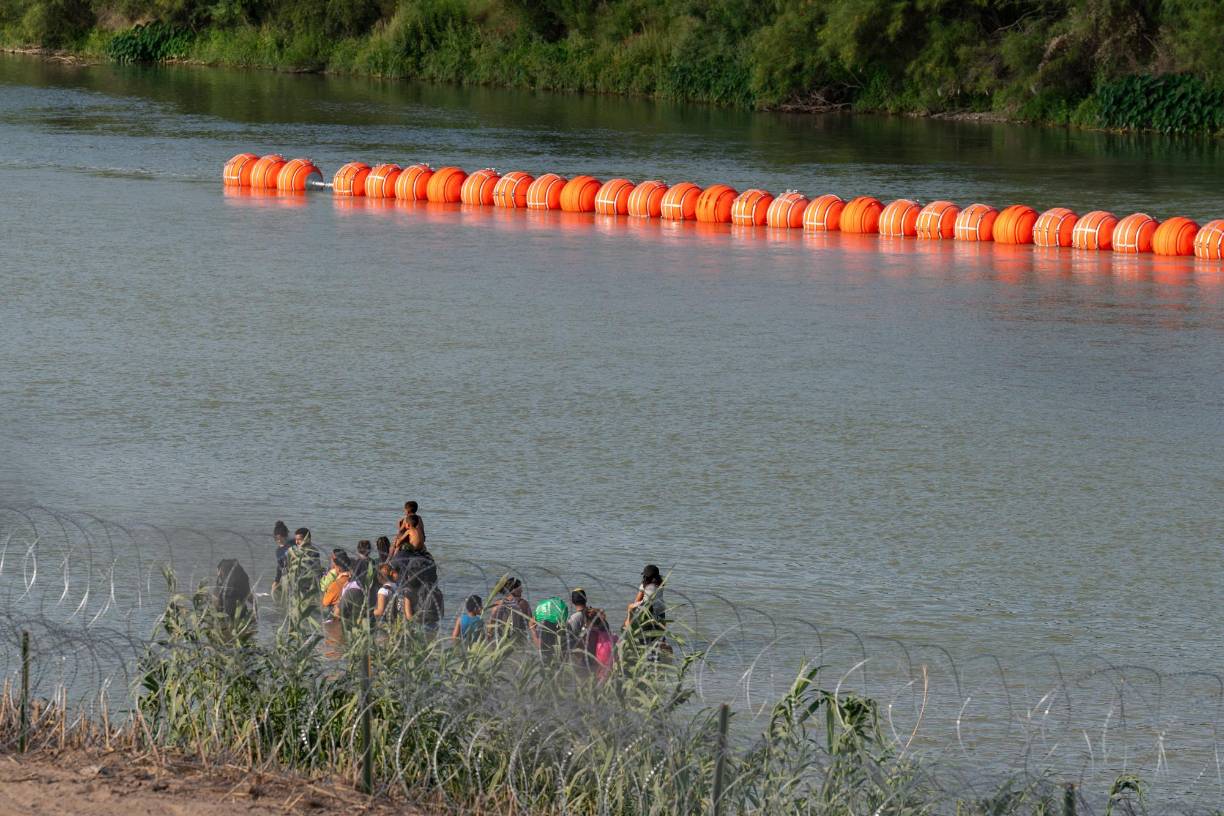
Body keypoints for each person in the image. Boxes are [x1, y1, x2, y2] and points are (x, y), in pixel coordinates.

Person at [567, 589, 613, 674]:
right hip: (603, 658)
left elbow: (572, 643)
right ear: (586, 599)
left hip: (585, 661)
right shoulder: (597, 615)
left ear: (572, 602)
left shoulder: (573, 619)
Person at [624, 564, 667, 648]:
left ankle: (629, 633)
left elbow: (638, 600)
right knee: (660, 622)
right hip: (660, 610)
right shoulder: (661, 584)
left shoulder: (644, 585)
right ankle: (661, 638)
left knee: (630, 608)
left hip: (647, 609)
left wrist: (632, 609)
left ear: (645, 576)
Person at [484, 577, 534, 643]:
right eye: (520, 588)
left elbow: (491, 627)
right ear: (513, 590)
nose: (522, 590)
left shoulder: (497, 605)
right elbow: (531, 624)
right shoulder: (524, 604)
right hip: (520, 638)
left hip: (502, 640)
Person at [285, 527, 324, 602]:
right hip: (294, 586)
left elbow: (315, 571)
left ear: (307, 539)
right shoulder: (294, 552)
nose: (296, 542)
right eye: (296, 539)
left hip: (306, 587)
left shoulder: (313, 552)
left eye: (299, 539)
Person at [533, 595, 568, 660]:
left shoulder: (540, 606)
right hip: (552, 630)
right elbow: (562, 626)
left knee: (544, 655)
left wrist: (535, 636)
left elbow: (532, 623)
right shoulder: (561, 606)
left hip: (540, 630)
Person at [321, 550, 353, 620]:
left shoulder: (335, 584)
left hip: (337, 614)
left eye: (335, 566)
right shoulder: (352, 580)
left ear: (338, 568)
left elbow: (325, 603)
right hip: (349, 612)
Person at [271, 521, 292, 592]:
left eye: (280, 538)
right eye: (277, 539)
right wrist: (276, 581)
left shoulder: (294, 544)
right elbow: (280, 567)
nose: (279, 541)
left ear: (285, 536)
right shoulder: (278, 551)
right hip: (288, 578)